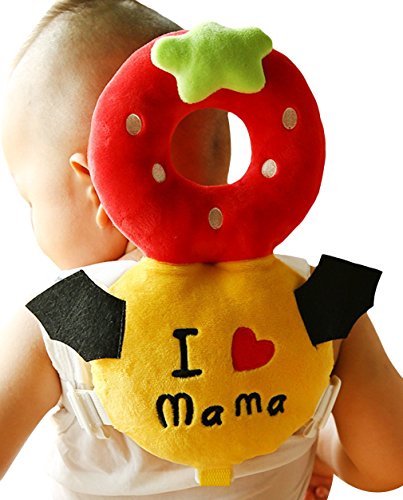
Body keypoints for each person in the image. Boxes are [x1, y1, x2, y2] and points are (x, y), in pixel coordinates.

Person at [0, 1, 402, 499]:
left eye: (30, 200)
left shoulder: (59, 318)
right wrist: (320, 440)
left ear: (95, 189)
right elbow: (390, 461)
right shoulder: (316, 298)